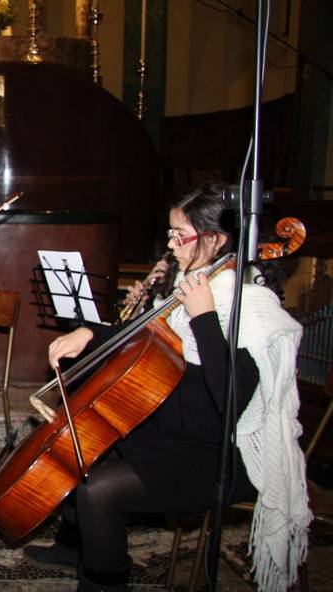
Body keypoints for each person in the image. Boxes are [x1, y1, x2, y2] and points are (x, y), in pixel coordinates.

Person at [23, 182, 309, 591]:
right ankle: (77, 545)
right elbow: (146, 339)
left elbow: (231, 400)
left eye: (180, 236)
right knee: (81, 445)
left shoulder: (250, 304)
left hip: (216, 452)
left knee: (96, 490)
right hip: (173, 427)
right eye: (170, 234)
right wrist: (88, 334)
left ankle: (103, 582)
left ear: (215, 240)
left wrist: (205, 318)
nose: (171, 245)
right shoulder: (190, 284)